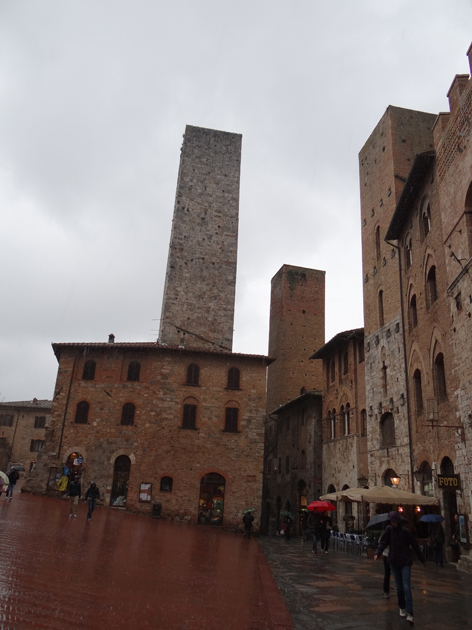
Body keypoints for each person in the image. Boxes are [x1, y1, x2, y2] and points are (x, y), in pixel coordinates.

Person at [374, 511, 425, 625]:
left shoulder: (405, 531)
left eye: (395, 521)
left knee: (406, 586)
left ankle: (410, 613)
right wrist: (378, 552)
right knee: (399, 587)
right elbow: (383, 542)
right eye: (391, 521)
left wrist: (422, 559)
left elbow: (415, 545)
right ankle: (402, 607)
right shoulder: (389, 530)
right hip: (393, 562)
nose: (393, 523)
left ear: (398, 521)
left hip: (405, 562)